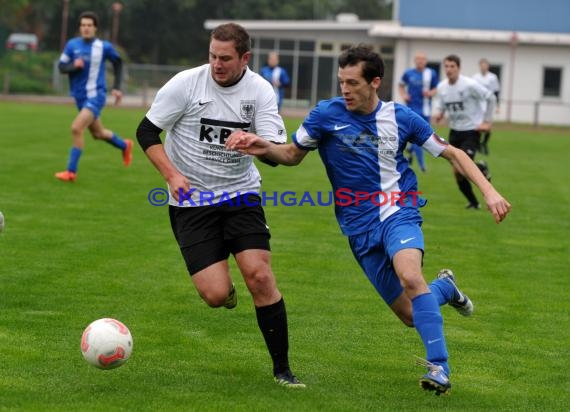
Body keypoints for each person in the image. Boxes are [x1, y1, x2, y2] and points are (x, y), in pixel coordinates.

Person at [226, 45, 511, 395]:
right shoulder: (325, 114)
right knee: (409, 315)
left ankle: (440, 367)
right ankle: (446, 288)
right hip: (357, 227)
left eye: (352, 82)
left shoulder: (402, 117)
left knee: (409, 274)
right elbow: (291, 154)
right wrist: (261, 146)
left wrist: (489, 192)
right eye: (341, 82)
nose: (344, 89)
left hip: (398, 210)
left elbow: (452, 153)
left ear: (375, 82)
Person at [135, 22, 304, 388]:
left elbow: (277, 155)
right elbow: (146, 131)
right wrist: (171, 175)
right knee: (214, 295)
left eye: (225, 58)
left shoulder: (260, 91)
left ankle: (283, 371)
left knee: (259, 276)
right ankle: (225, 291)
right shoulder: (185, 84)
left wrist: (256, 143)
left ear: (245, 58)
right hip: (191, 201)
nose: (216, 64)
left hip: (241, 194)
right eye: (212, 56)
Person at [55, 11, 132, 182]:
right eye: (83, 25)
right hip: (80, 98)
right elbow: (61, 67)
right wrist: (74, 66)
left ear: (95, 28)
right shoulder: (72, 45)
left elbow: (118, 63)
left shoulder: (103, 47)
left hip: (96, 96)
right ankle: (124, 145)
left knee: (76, 128)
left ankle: (71, 172)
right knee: (98, 133)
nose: (86, 28)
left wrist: (117, 88)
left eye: (89, 25)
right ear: (80, 28)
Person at [434, 54, 497, 209]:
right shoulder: (442, 87)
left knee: (460, 167)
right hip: (454, 132)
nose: (449, 69)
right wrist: (440, 113)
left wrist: (487, 122)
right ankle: (474, 203)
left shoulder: (469, 85)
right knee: (457, 172)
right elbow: (442, 105)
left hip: (471, 131)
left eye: (452, 66)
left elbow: (491, 98)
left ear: (459, 68)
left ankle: (481, 169)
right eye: (446, 66)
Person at [398, 52, 438, 172]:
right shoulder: (408, 73)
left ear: (426, 61)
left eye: (423, 59)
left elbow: (436, 87)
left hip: (425, 110)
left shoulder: (431, 73)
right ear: (415, 61)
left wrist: (430, 93)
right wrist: (404, 95)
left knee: (423, 135)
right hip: (412, 109)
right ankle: (422, 165)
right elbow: (400, 85)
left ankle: (410, 150)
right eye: (418, 59)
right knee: (418, 136)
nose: (420, 61)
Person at [472, 58, 501, 155]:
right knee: (478, 125)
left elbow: (496, 92)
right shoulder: (475, 77)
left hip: (489, 103)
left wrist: (497, 105)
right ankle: (477, 144)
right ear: (480, 66)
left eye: (485, 65)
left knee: (488, 126)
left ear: (488, 66)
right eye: (482, 64)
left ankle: (484, 143)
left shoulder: (493, 77)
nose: (483, 66)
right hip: (479, 104)